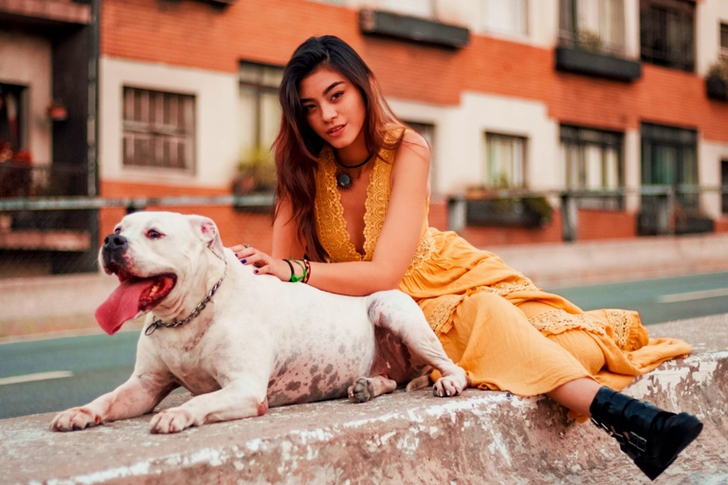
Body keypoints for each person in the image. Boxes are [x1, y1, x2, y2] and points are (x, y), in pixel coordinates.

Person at [231, 35, 702, 480]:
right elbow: (284, 283)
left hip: (449, 270)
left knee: (576, 345)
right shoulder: (300, 170)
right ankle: (636, 423)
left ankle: (636, 430)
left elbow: (384, 267)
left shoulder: (406, 147)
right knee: (488, 318)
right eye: (311, 107)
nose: (328, 115)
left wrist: (295, 271)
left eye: (336, 95)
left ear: (362, 86)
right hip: (395, 307)